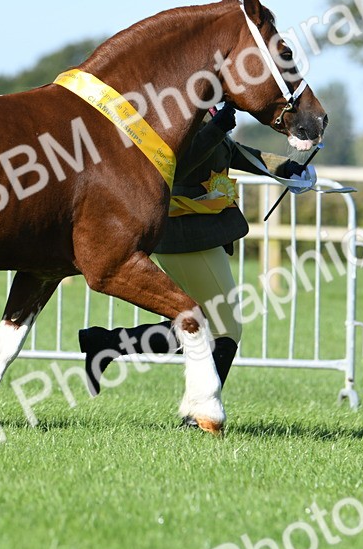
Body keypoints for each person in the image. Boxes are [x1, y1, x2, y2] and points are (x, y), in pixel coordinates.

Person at [78, 104, 316, 423]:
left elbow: (229, 151)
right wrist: (216, 127)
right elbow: (179, 163)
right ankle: (198, 413)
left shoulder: (206, 108)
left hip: (200, 232)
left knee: (207, 324)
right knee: (225, 328)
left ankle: (107, 343)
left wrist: (286, 168)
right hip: (184, 233)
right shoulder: (175, 111)